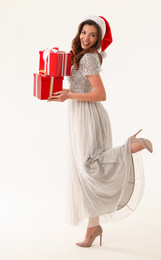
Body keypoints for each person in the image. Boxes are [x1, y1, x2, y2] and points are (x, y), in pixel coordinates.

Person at [48, 15, 153, 247]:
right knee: (85, 171)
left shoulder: (90, 59)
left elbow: (100, 94)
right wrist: (63, 94)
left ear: (98, 39)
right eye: (84, 32)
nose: (86, 38)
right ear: (79, 33)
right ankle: (92, 230)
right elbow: (81, 87)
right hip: (78, 113)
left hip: (88, 115)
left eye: (93, 35)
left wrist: (69, 95)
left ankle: (134, 145)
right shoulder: (81, 56)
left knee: (89, 167)